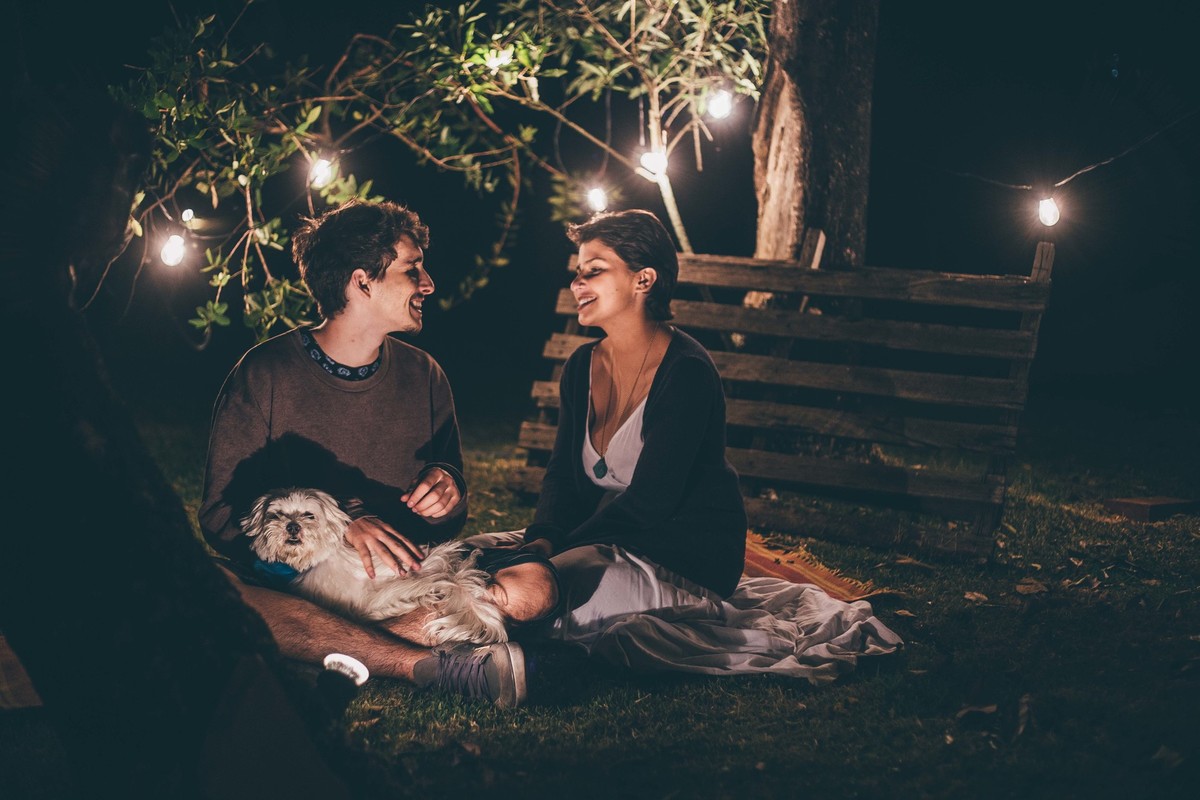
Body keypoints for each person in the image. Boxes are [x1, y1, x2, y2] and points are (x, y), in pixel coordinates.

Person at [475, 209, 902, 680]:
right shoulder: (582, 366)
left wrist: (557, 553)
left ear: (644, 280)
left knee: (536, 595)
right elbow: (561, 474)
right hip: (606, 538)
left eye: (593, 271)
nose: (577, 284)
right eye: (577, 273)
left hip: (678, 556)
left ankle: (465, 654)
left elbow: (651, 501)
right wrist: (543, 537)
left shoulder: (686, 373)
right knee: (478, 556)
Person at [198, 199, 559, 707]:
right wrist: (340, 525)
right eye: (413, 269)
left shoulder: (424, 375)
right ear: (362, 281)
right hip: (297, 588)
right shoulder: (266, 374)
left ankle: (325, 648)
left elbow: (445, 525)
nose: (428, 283)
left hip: (403, 587)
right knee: (212, 589)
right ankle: (425, 662)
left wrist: (447, 489)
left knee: (533, 588)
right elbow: (217, 516)